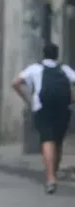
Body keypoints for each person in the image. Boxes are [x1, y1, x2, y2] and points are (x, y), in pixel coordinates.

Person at [12, 43, 75, 194]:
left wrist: (28, 99)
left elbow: (15, 83)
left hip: (42, 108)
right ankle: (55, 171)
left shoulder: (35, 68)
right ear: (57, 55)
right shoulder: (65, 70)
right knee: (58, 141)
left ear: (44, 54)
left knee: (47, 140)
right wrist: (71, 99)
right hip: (62, 109)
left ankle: (51, 178)